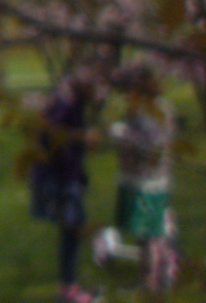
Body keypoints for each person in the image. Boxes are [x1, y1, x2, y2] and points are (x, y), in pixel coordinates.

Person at [29, 70, 101, 303]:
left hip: (62, 177)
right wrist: (81, 138)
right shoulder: (67, 105)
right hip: (57, 179)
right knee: (73, 228)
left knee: (73, 229)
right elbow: (53, 138)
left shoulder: (67, 99)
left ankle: (69, 286)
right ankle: (68, 291)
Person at [109, 62, 177, 296]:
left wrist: (122, 135)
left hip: (146, 183)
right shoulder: (152, 108)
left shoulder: (153, 110)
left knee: (149, 235)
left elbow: (149, 146)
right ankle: (154, 277)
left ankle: (153, 281)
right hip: (142, 180)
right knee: (148, 233)